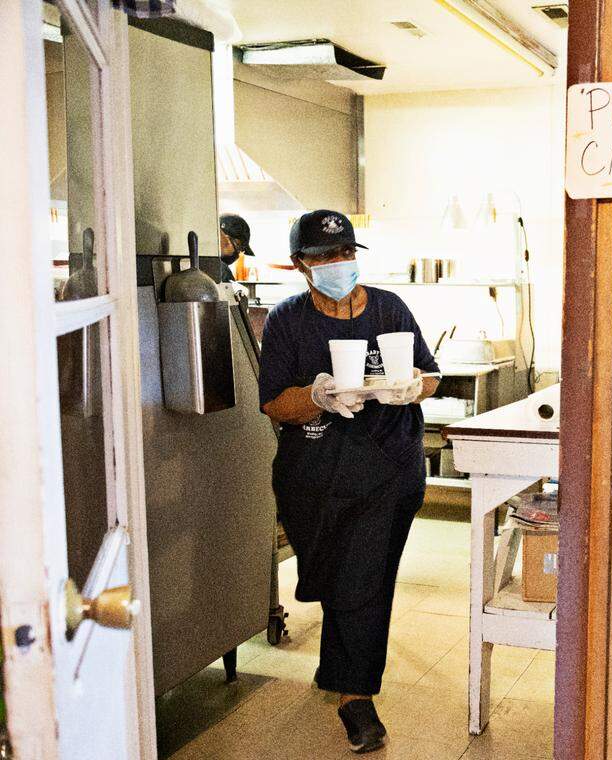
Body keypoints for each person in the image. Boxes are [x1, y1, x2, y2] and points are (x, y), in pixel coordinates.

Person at [258, 209, 441, 752]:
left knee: (364, 577)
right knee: (334, 573)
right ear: (301, 266)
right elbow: (273, 402)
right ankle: (336, 667)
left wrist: (412, 387)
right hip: (313, 473)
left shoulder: (388, 307)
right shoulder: (288, 320)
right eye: (324, 258)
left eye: (346, 254)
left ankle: (356, 699)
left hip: (387, 468)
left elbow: (430, 374)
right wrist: (317, 397)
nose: (339, 265)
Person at [219, 213, 254, 283]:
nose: (238, 254)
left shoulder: (196, 261)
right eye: (238, 246)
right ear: (225, 238)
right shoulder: (221, 271)